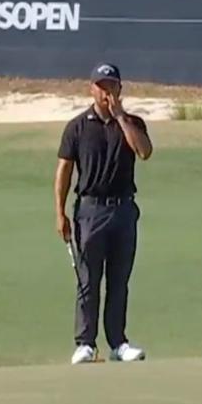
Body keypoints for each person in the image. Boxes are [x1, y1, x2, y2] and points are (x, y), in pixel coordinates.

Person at [54, 63, 154, 365]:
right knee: (88, 280)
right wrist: (59, 213)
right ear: (91, 89)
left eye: (111, 85)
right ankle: (85, 343)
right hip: (89, 211)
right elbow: (64, 170)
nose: (105, 91)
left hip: (123, 210)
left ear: (119, 89)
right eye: (101, 86)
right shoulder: (77, 126)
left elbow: (145, 151)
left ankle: (118, 342)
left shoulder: (132, 123)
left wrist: (121, 115)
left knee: (119, 280)